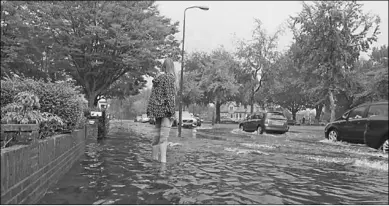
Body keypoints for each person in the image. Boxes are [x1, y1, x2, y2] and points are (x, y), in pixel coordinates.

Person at [146, 58, 177, 163]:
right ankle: (163, 163)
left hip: (157, 111)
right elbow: (169, 97)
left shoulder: (157, 79)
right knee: (164, 138)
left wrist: (150, 112)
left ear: (163, 66)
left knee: (156, 137)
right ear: (172, 67)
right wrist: (172, 113)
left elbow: (152, 96)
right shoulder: (169, 78)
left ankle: (154, 160)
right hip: (166, 111)